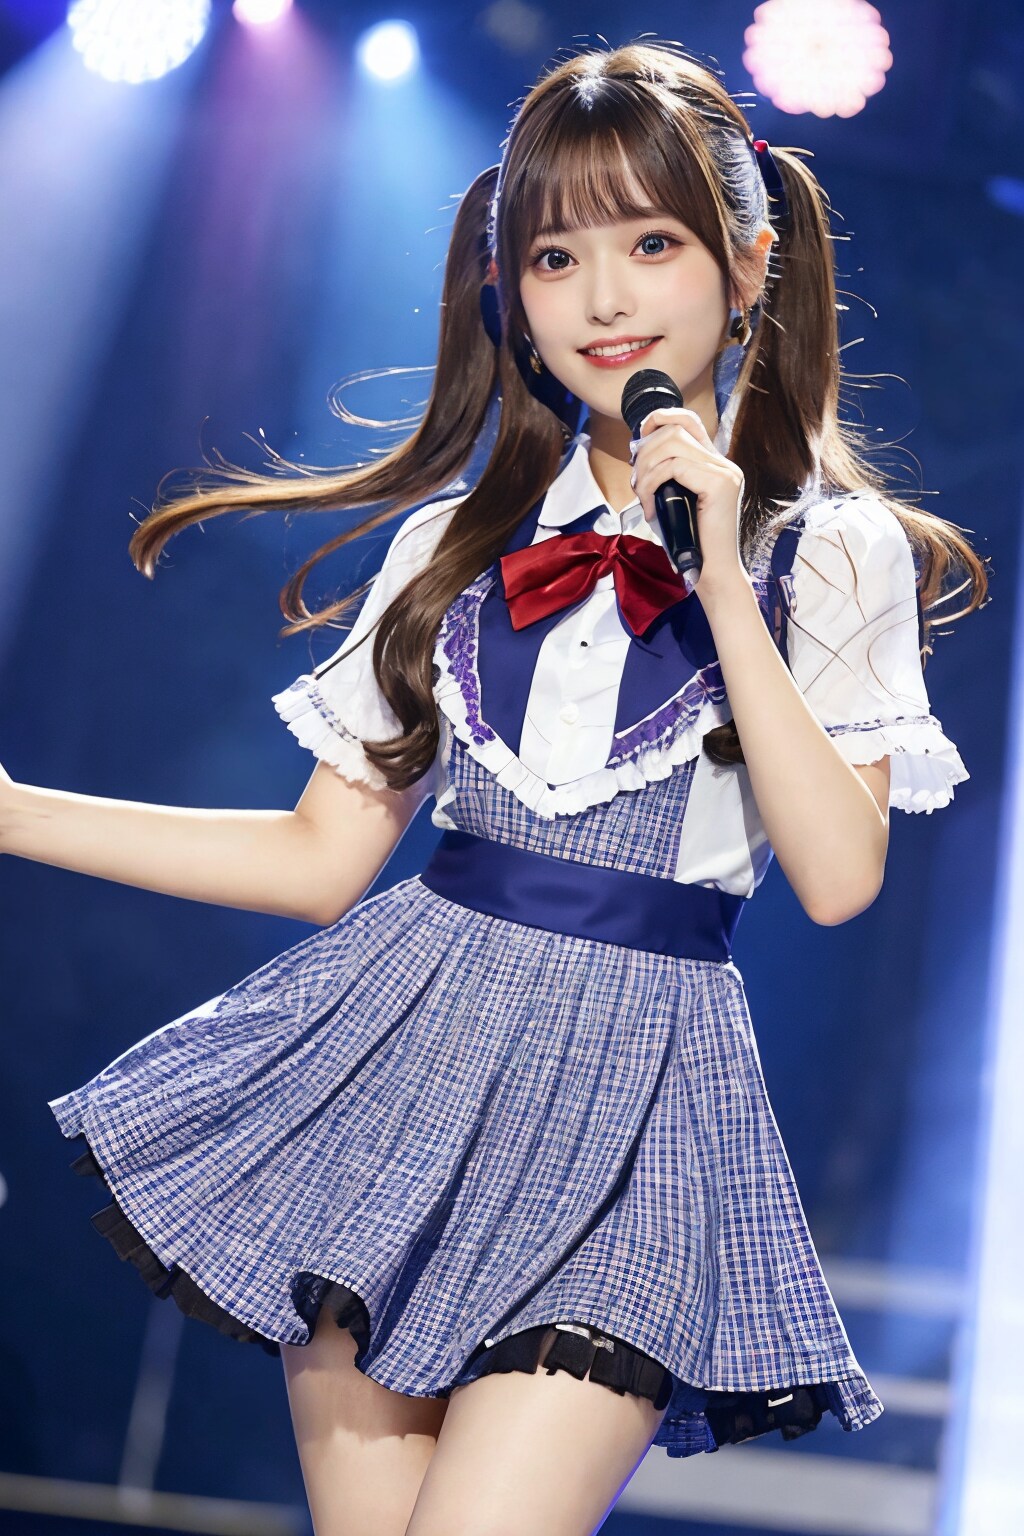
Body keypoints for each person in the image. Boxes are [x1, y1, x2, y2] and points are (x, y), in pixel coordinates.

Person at [0, 37, 987, 1536]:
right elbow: (319, 859)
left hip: (640, 1101)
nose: (602, 299)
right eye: (554, 257)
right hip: (403, 1069)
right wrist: (14, 811)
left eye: (651, 244)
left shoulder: (831, 554)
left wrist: (724, 583)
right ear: (510, 294)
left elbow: (842, 877)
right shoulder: (449, 550)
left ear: (747, 262)